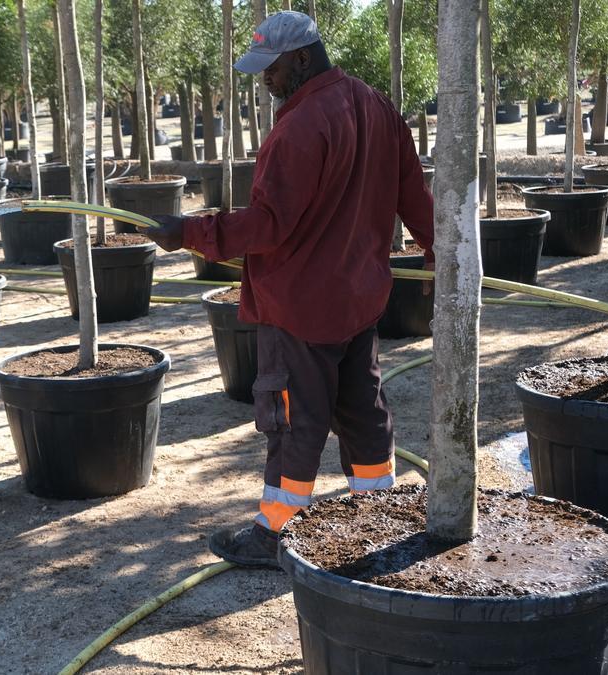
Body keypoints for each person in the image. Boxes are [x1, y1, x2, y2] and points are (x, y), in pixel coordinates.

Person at [143, 11, 435, 568]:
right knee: (363, 410)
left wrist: (188, 233)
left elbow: (268, 223)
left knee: (292, 421)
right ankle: (378, 515)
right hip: (359, 300)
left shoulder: (300, 127)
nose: (265, 81)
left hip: (299, 307)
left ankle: (277, 533)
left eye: (271, 69)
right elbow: (413, 194)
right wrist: (436, 248)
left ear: (302, 57)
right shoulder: (378, 108)